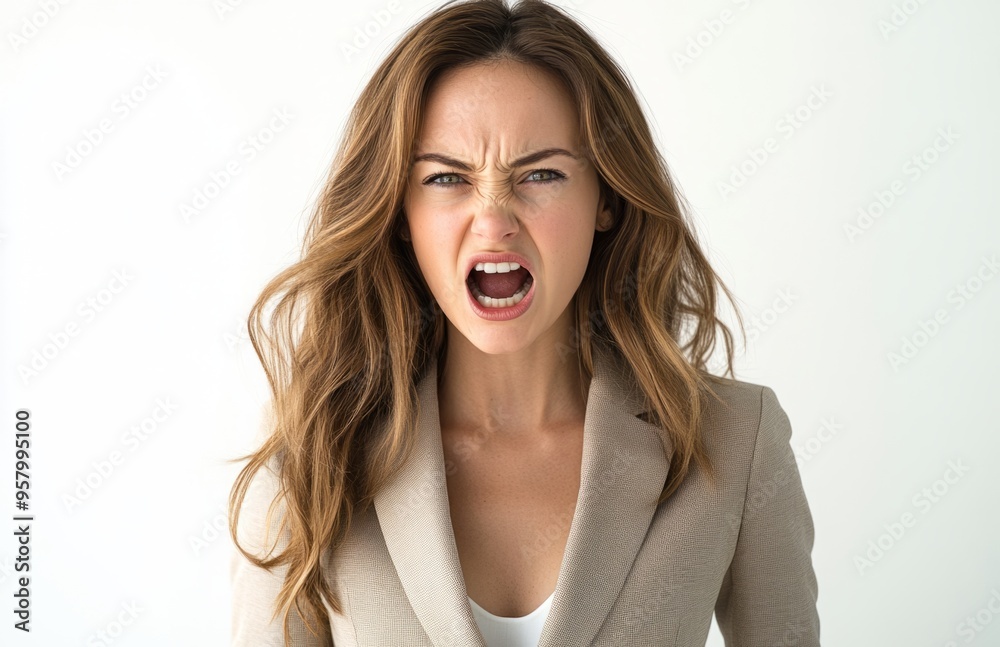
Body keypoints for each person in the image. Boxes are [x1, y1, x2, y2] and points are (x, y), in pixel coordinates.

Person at [228, 0, 820, 645]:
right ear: (399, 212)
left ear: (608, 200)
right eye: (447, 178)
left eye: (541, 173)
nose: (494, 218)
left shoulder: (736, 440)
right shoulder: (312, 446)